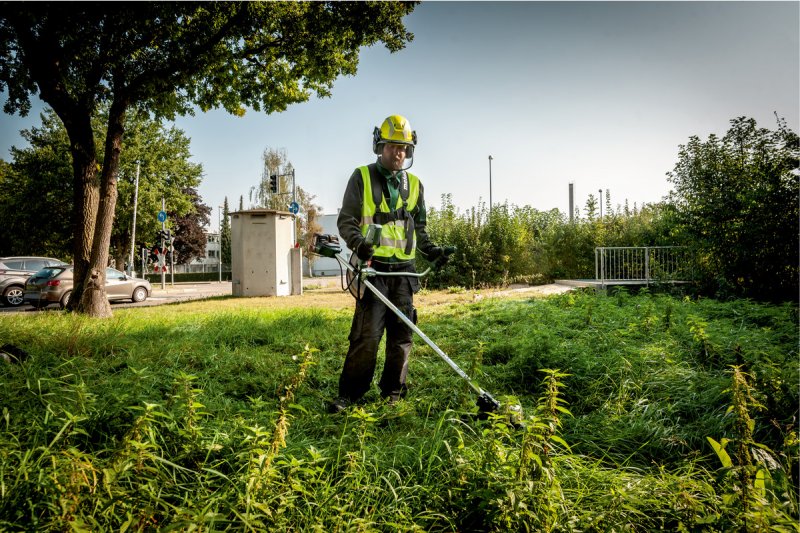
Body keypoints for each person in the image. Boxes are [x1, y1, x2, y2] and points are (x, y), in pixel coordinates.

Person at [331, 114, 448, 413]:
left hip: (405, 272)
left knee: (402, 335)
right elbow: (346, 221)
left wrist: (432, 250)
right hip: (373, 269)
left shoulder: (416, 184)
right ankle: (350, 394)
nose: (399, 153)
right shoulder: (361, 177)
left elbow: (419, 229)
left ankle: (393, 392)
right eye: (393, 147)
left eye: (404, 148)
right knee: (366, 335)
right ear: (379, 147)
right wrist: (359, 243)